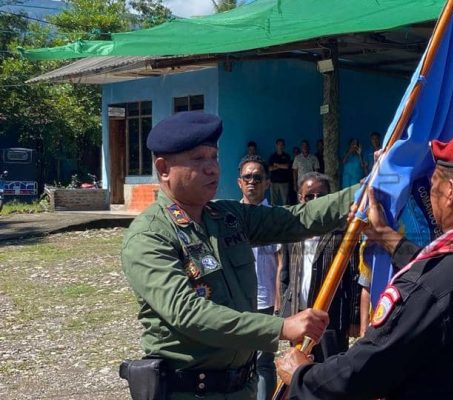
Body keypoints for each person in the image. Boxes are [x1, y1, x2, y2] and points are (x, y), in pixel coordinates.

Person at [275, 134, 453, 399]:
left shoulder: (428, 290)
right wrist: (385, 235)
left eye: (433, 183)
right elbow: (444, 273)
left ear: (451, 192)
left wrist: (302, 376)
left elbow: (366, 371)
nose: (430, 194)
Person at [119, 112, 360, 399]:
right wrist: (281, 326)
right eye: (198, 159)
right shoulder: (149, 235)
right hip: (190, 390)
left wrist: (368, 188)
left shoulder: (227, 216)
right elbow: (187, 313)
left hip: (242, 387)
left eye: (214, 157)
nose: (212, 169)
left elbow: (299, 219)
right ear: (164, 168)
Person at [278, 172, 360, 363]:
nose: (315, 201)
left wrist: (354, 318)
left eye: (321, 196)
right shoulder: (292, 230)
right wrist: (286, 311)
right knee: (299, 371)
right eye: (309, 196)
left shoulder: (343, 231)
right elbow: (286, 275)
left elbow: (353, 277)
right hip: (298, 316)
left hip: (331, 319)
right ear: (300, 198)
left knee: (329, 374)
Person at [237, 156, 281, 400]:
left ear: (267, 183)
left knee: (264, 363)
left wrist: (278, 303)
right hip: (238, 303)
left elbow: (280, 263)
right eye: (247, 177)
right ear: (239, 182)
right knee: (238, 361)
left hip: (266, 302)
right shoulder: (229, 218)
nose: (252, 181)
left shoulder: (273, 217)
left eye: (257, 177)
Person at [268, 138, 292, 206]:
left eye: (282, 145)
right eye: (279, 145)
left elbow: (287, 166)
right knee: (273, 202)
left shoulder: (287, 156)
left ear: (284, 146)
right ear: (276, 145)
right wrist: (281, 166)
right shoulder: (272, 156)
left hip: (284, 182)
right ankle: (274, 216)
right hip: (274, 182)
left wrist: (276, 165)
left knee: (286, 202)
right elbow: (269, 168)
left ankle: (286, 215)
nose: (280, 146)